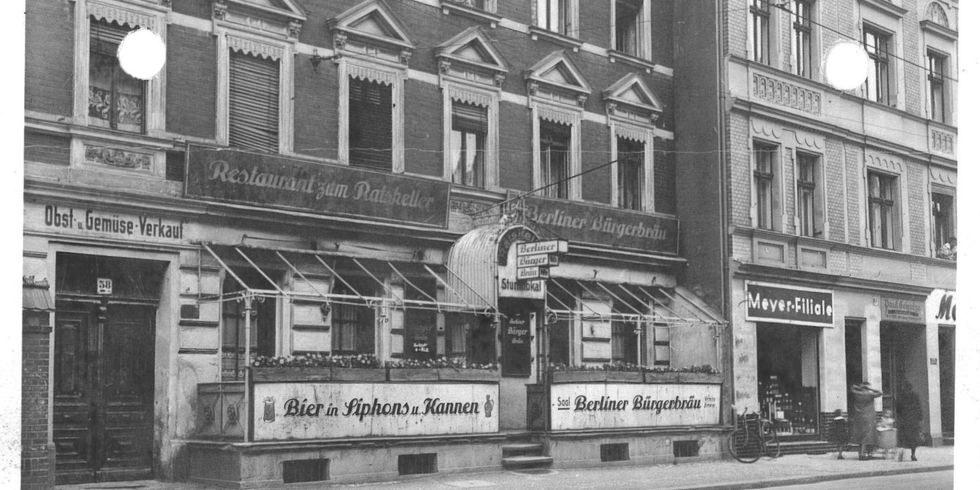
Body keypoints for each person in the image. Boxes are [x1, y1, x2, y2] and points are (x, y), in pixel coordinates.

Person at [849, 381, 882, 460]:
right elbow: (880, 392)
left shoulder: (857, 394)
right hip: (868, 417)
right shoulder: (869, 394)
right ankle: (863, 454)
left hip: (859, 417)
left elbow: (852, 388)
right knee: (866, 436)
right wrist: (870, 388)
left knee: (860, 435)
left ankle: (861, 453)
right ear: (867, 387)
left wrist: (859, 387)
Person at [895, 380, 923, 461]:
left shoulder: (901, 396)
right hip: (913, 420)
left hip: (904, 420)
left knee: (903, 438)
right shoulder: (915, 395)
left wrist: (899, 417)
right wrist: (920, 418)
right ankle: (913, 455)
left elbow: (898, 408)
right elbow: (919, 407)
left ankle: (901, 454)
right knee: (913, 438)